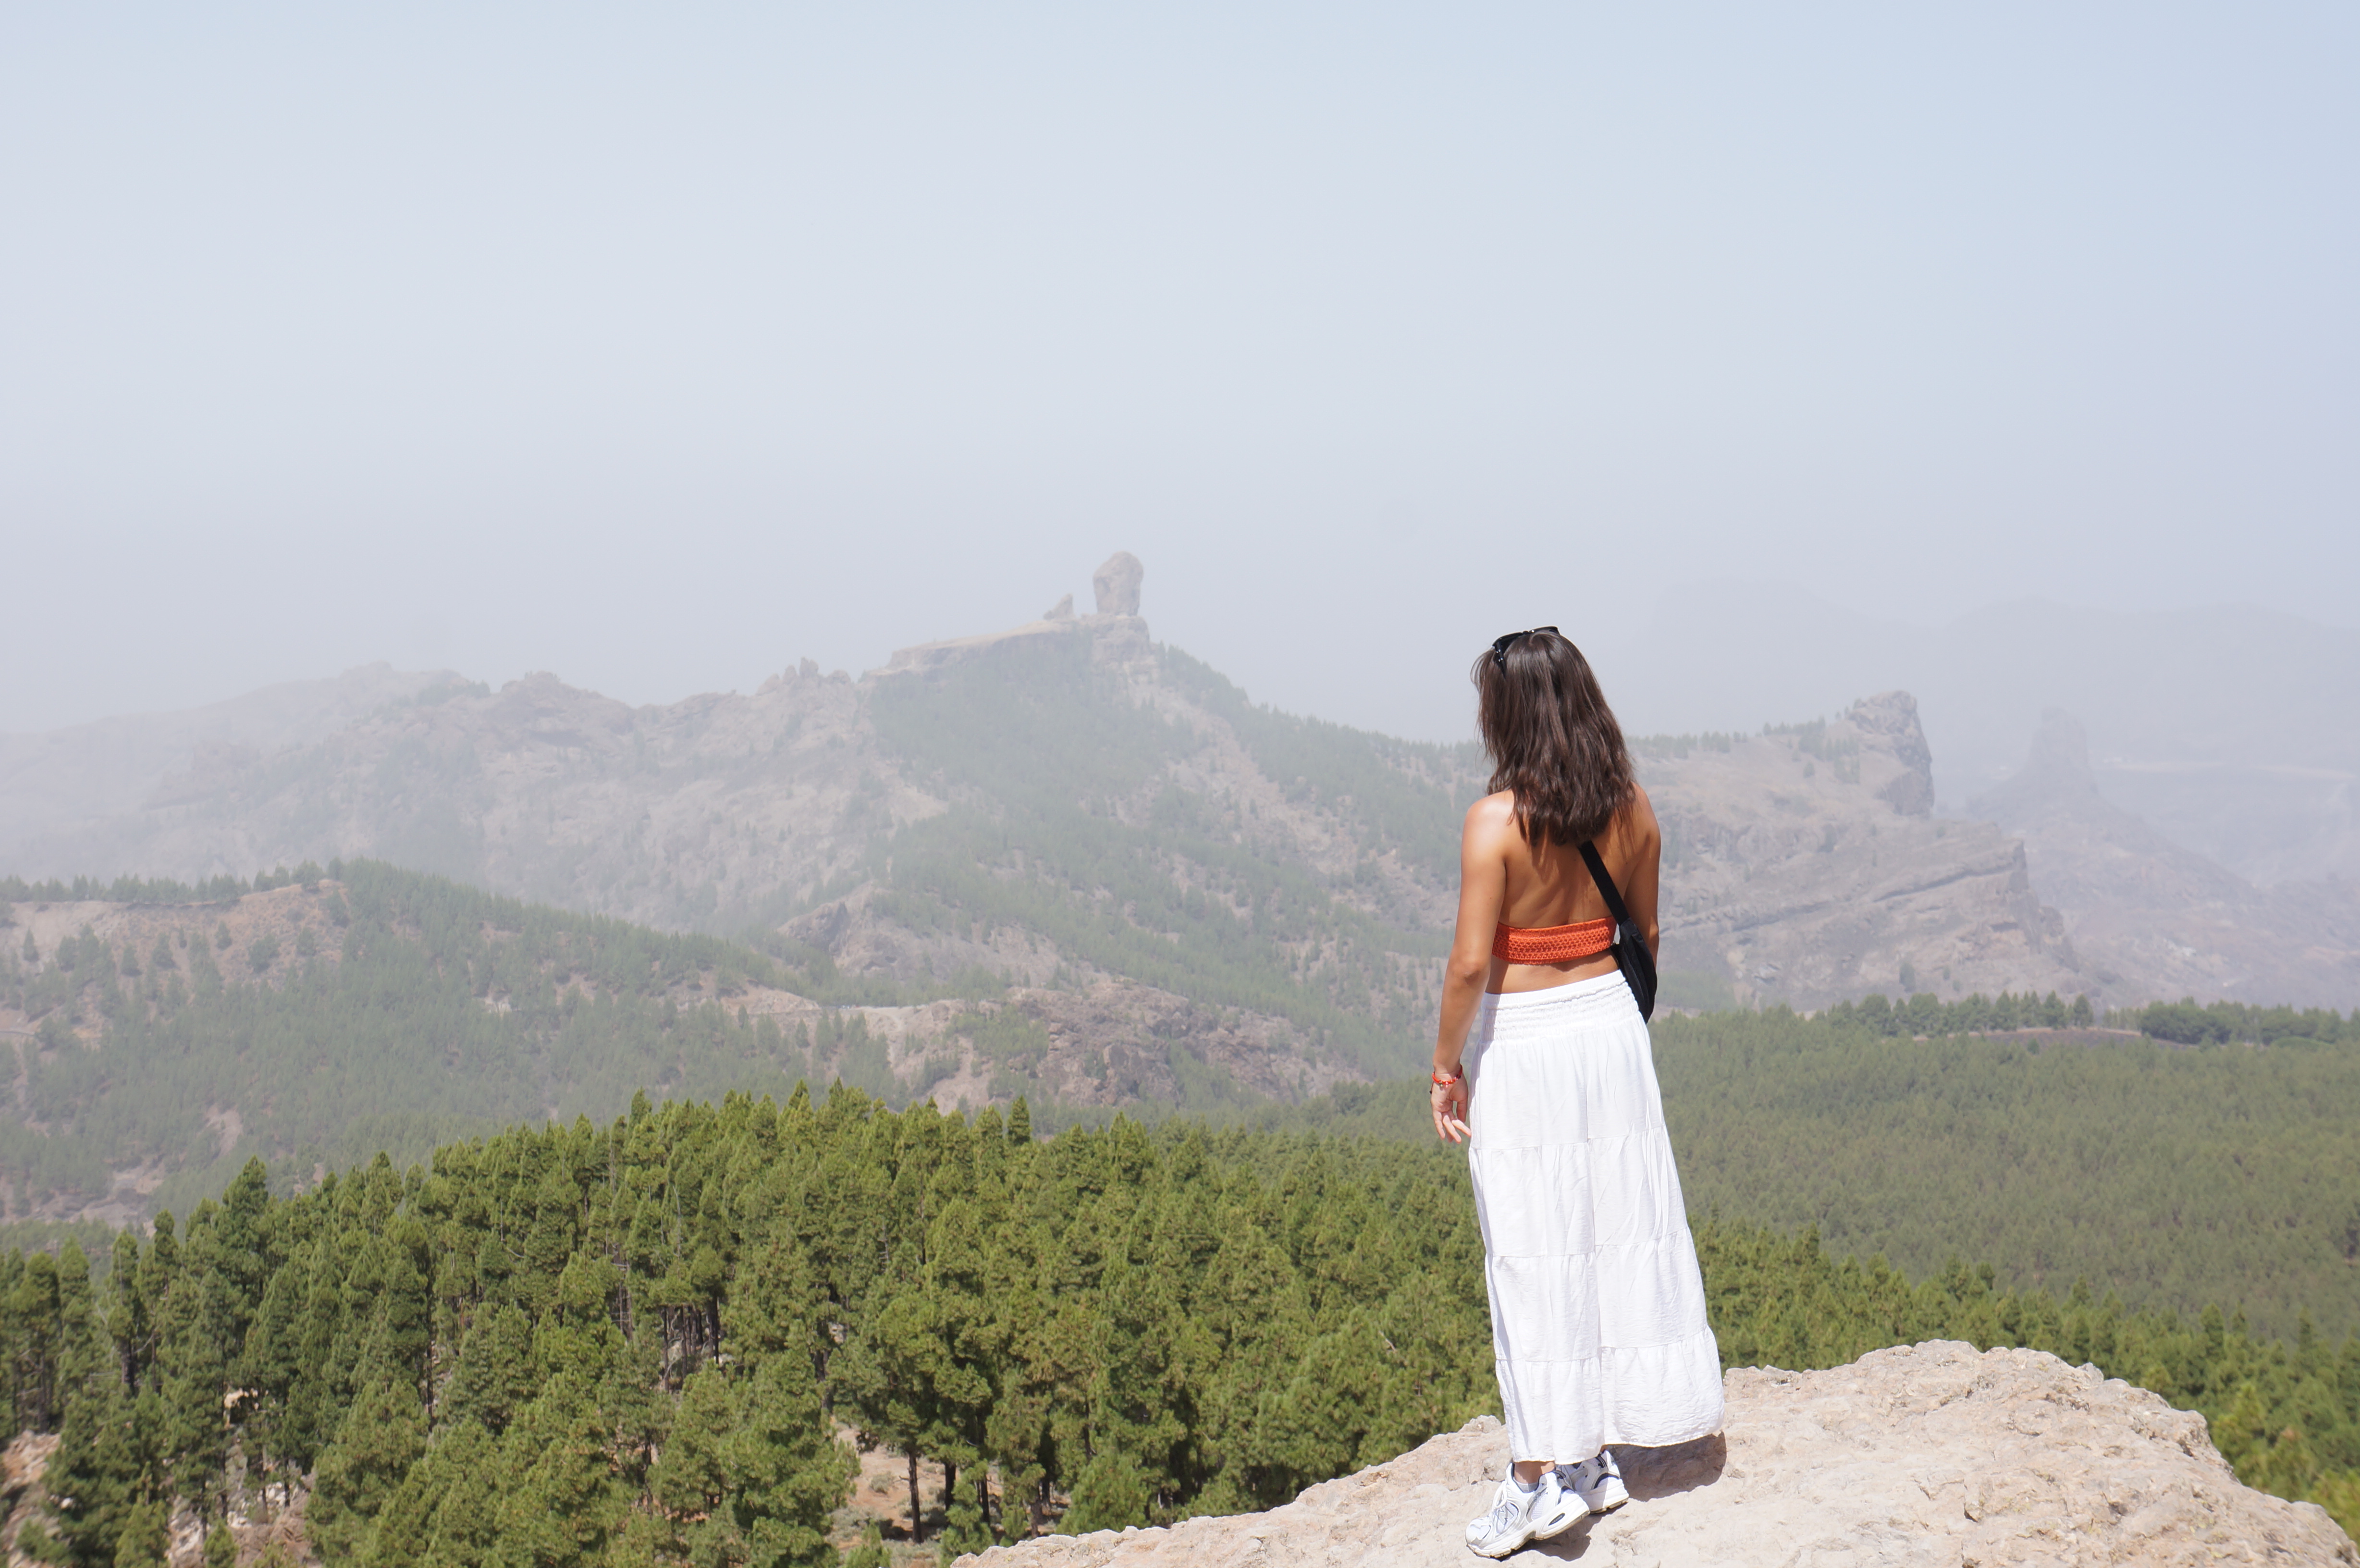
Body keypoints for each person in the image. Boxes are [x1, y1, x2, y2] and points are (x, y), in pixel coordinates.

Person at [1430, 627, 1724, 1558]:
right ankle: (1594, 1458)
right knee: (1607, 1233)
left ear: (1506, 716)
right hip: (1611, 1032)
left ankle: (1534, 1485)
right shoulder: (1633, 809)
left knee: (1531, 1250)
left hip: (1528, 1041)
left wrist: (1445, 1068)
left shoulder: (1494, 825)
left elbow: (1470, 964)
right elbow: (1646, 935)